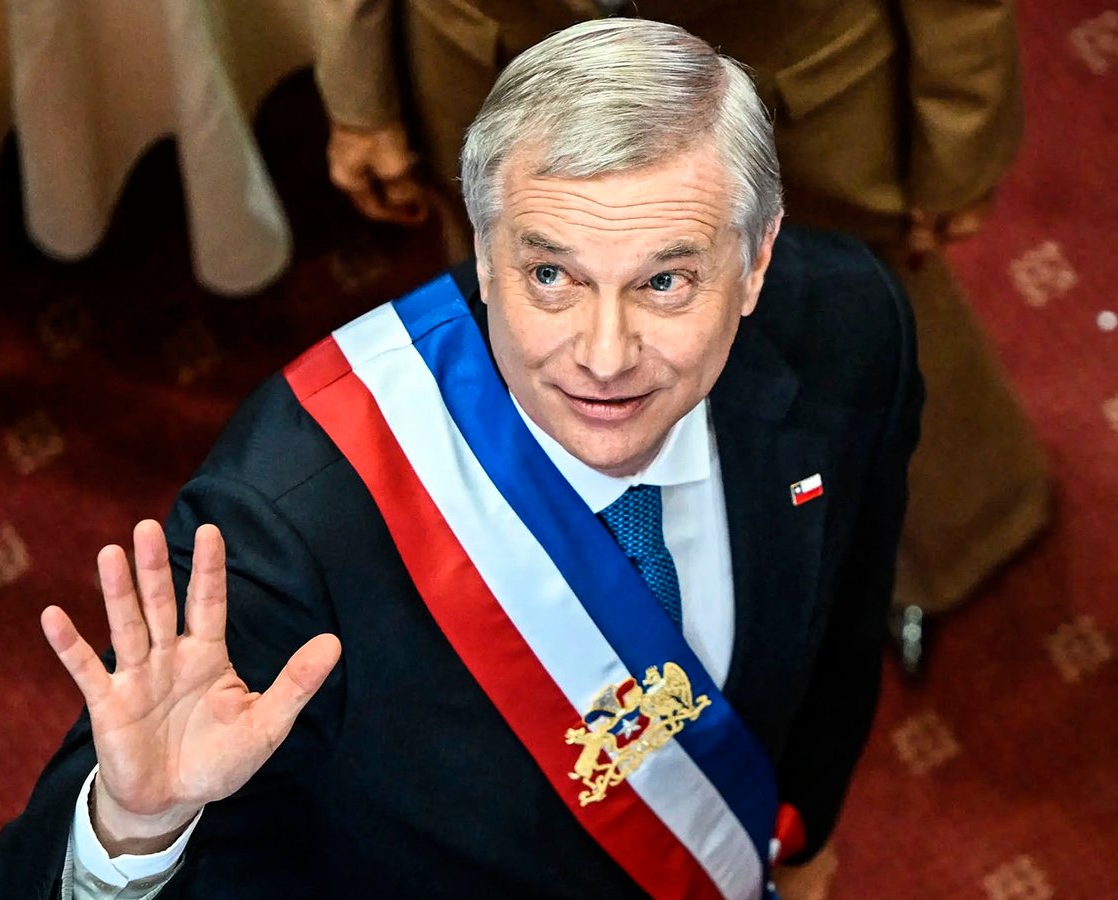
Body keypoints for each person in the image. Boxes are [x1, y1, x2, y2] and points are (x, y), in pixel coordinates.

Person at [0, 20, 922, 899]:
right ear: (482, 251)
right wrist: (134, 828)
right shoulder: (293, 515)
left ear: (756, 261)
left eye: (665, 281)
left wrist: (801, 841)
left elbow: (840, 632)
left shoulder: (848, 328)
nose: (604, 355)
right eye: (550, 275)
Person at [316, 0, 1048, 657]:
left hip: (794, 83)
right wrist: (359, 94)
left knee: (865, 316)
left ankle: (949, 547)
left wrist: (962, 138)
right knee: (535, 324)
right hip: (494, 53)